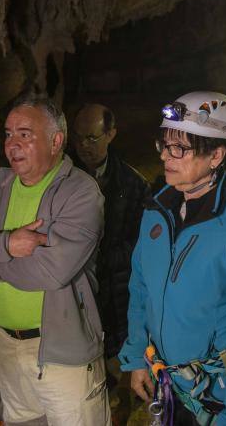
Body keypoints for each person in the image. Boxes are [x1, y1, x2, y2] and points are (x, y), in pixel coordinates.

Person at [0, 94, 110, 426]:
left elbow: (52, 272)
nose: (12, 144)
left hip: (62, 352)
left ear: (56, 141)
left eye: (25, 133)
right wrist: (9, 243)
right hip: (6, 346)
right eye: (8, 134)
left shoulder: (81, 192)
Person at [119, 91, 226, 425]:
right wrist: (137, 357)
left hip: (219, 396)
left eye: (180, 148)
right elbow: (140, 287)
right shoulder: (156, 210)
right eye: (164, 144)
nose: (167, 155)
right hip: (168, 384)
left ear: (217, 155)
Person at [71, 104, 149, 362]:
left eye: (92, 138)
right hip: (74, 291)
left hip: (117, 294)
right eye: (78, 137)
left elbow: (141, 244)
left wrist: (102, 259)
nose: (84, 145)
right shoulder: (61, 179)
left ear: (111, 134)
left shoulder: (132, 184)